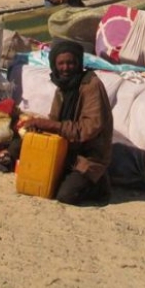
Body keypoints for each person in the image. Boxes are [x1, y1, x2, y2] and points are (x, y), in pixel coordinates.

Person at [23, 40, 113, 205]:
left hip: (89, 156)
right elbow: (55, 120)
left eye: (71, 63)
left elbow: (88, 129)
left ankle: (99, 184)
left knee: (65, 196)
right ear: (54, 65)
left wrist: (50, 125)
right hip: (67, 150)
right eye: (61, 63)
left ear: (78, 63)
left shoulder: (91, 85)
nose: (66, 68)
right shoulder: (62, 87)